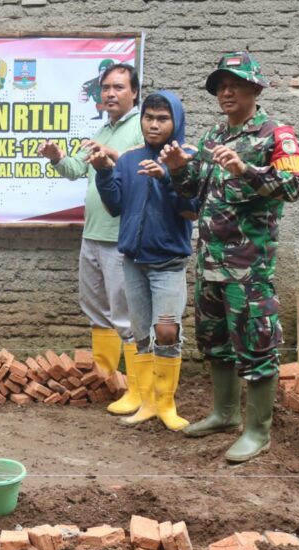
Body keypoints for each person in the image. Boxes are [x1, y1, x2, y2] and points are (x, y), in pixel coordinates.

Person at [159, 51, 299, 462]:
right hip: (210, 263)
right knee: (216, 341)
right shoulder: (213, 137)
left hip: (249, 268)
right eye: (220, 85)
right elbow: (197, 192)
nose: (226, 92)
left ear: (255, 89)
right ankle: (224, 413)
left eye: (235, 84)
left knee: (258, 345)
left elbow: (293, 186)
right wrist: (177, 170)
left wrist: (247, 170)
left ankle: (257, 431)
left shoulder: (276, 134)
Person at [38, 62, 144, 415]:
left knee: (125, 314)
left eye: (118, 87)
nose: (110, 94)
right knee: (97, 309)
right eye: (106, 88)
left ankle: (137, 389)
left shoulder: (141, 129)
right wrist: (57, 159)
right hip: (93, 234)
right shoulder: (104, 128)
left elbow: (142, 168)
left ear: (134, 93)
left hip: (121, 238)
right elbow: (77, 170)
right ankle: (106, 377)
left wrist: (112, 154)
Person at [92, 91, 197, 431]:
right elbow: (115, 207)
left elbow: (191, 208)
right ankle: (146, 400)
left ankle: (166, 403)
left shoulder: (188, 157)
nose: (153, 124)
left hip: (167, 262)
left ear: (176, 122)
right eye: (148, 117)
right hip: (133, 261)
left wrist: (169, 176)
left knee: (166, 330)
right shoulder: (129, 159)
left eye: (162, 119)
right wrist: (105, 173)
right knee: (140, 333)